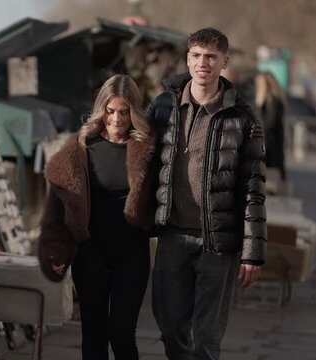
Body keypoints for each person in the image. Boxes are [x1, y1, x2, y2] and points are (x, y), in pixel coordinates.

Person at [149, 28, 267, 359]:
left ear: (224, 62)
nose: (204, 63)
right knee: (170, 327)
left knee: (207, 336)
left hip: (218, 241)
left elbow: (254, 187)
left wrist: (252, 252)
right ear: (187, 59)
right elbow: (140, 164)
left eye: (212, 57)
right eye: (197, 55)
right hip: (172, 235)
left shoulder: (243, 117)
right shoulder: (163, 106)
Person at [38, 74, 157, 360]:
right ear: (101, 109)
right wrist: (55, 250)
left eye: (124, 112)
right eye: (110, 111)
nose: (117, 119)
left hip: (133, 252)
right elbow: (56, 210)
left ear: (134, 112)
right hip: (90, 253)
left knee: (122, 333)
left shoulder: (149, 148)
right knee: (93, 335)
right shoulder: (80, 149)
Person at [255, 71, 287, 180]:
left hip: (270, 147)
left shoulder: (272, 101)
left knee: (272, 180)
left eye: (259, 84)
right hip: (270, 146)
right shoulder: (267, 101)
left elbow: (268, 124)